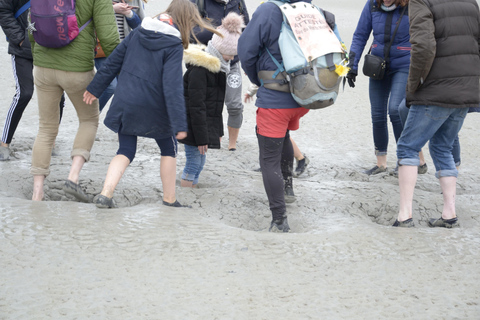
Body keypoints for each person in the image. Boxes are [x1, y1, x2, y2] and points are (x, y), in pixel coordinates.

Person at [83, 0, 222, 208]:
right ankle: (170, 199)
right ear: (184, 20)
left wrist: (95, 88)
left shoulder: (139, 31)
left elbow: (113, 61)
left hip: (127, 100)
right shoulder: (173, 44)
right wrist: (179, 123)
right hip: (155, 106)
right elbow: (172, 86)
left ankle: (106, 193)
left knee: (126, 150)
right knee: (168, 149)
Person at [238, 0, 340, 232]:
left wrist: (259, 81)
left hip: (276, 99)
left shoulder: (269, 10)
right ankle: (288, 189)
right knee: (282, 135)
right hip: (305, 94)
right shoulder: (313, 10)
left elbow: (246, 50)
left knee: (268, 159)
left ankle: (279, 220)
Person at [393, 0, 480, 228]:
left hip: (436, 89)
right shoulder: (470, 2)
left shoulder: (422, 1)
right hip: (466, 89)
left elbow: (422, 46)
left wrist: (413, 86)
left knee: (408, 147)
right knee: (443, 146)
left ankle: (404, 215)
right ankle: (449, 213)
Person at [30, 0, 120, 201]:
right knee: (88, 120)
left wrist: (38, 57)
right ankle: (73, 177)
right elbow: (109, 39)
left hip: (43, 67)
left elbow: (32, 28)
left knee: (46, 127)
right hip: (78, 69)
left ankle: (37, 192)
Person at [346, 0, 413, 175]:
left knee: (395, 110)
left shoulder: (412, 5)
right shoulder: (372, 5)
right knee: (377, 114)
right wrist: (352, 67)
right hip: (377, 65)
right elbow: (360, 35)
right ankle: (381, 163)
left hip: (404, 65)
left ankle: (404, 161)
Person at [179, 12, 244, 188]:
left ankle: (190, 190)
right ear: (219, 50)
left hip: (201, 127)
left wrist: (217, 132)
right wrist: (201, 138)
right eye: (229, 55)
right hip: (193, 127)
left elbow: (214, 107)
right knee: (193, 164)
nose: (231, 59)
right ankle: (182, 195)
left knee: (199, 164)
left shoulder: (217, 69)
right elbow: (196, 106)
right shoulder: (200, 71)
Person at [0, 0, 65, 161]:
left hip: (50, 48)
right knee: (24, 93)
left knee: (58, 96)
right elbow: (3, 11)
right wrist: (20, 39)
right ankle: (4, 143)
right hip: (22, 49)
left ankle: (51, 140)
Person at [190, 0, 250, 151]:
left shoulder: (238, 2)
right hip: (205, 62)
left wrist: (249, 60)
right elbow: (188, 31)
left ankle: (232, 144)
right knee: (203, 102)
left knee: (235, 105)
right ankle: (207, 137)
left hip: (232, 62)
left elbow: (248, 30)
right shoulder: (197, 2)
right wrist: (214, 31)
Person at [244, 82, 309, 178]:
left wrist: (250, 91)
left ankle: (272, 164)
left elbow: (261, 76)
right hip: (297, 100)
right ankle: (299, 160)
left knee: (271, 131)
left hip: (279, 101)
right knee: (282, 133)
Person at [94, 0, 146, 112]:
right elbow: (86, 17)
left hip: (124, 50)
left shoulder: (136, 1)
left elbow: (141, 27)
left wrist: (129, 14)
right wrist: (111, 9)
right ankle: (90, 117)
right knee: (110, 87)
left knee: (124, 90)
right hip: (102, 49)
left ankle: (120, 123)